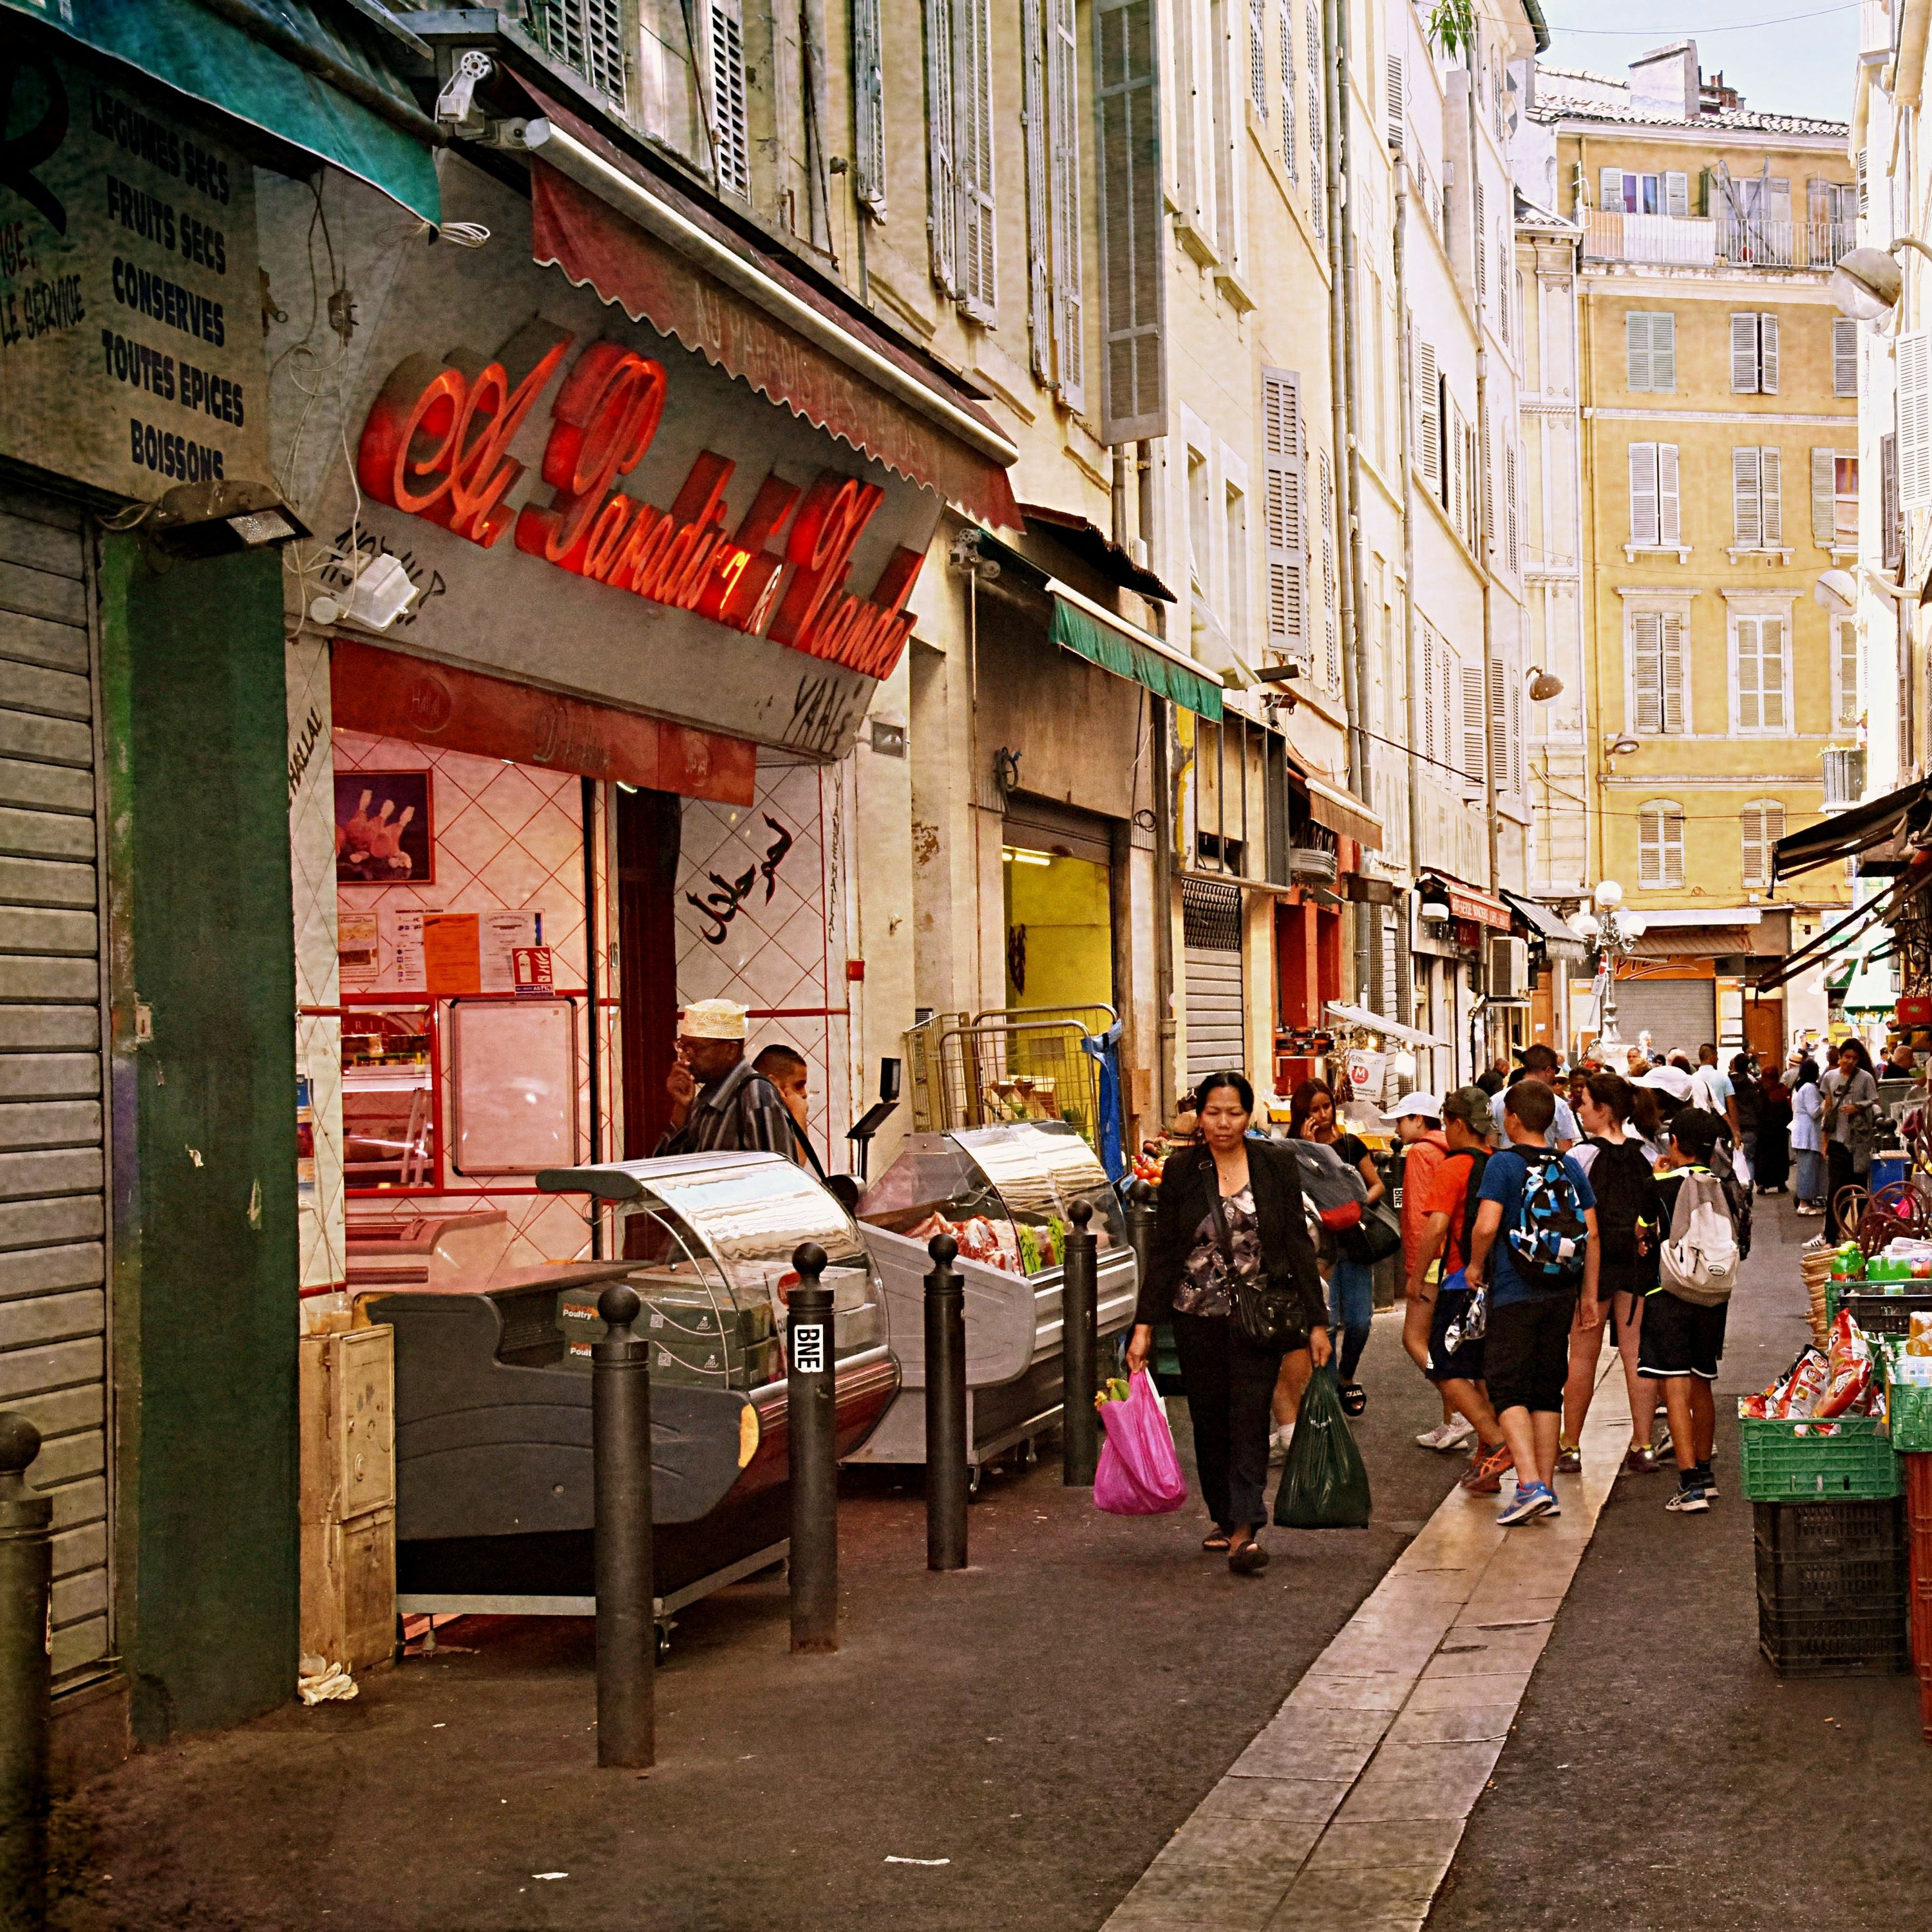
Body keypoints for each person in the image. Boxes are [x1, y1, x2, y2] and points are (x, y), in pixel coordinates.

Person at [1127, 1072, 1329, 1575]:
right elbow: (1167, 1252)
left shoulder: (1276, 1163)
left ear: (1250, 1115)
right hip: (1196, 1315)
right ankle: (1223, 1515)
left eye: (1233, 1113)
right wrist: (1145, 1324)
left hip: (1258, 1316)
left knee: (1248, 1415)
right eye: (1213, 1113)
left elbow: (1299, 1247)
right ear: (1201, 1116)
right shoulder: (1180, 1170)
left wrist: (1317, 1323)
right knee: (1210, 1419)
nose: (1223, 1123)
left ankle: (1246, 1527)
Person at [1463, 1079, 1601, 1525]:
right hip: (1560, 1290)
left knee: (1506, 1386)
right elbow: (1591, 1233)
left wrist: (1475, 1266)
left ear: (1513, 1119)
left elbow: (1486, 1226)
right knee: (1545, 1388)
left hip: (1515, 1289)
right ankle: (1546, 1486)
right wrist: (1588, 1295)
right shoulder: (1570, 1165)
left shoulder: (1502, 1165)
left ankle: (1528, 1484)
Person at [1562, 1072, 1667, 1477]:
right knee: (1637, 1356)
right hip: (1639, 1262)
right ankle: (1643, 1445)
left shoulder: (1580, 1158)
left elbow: (1572, 1217)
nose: (1579, 1109)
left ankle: (1570, 1446)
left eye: (1584, 1102)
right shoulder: (1648, 1153)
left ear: (1603, 1110)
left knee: (1582, 1358)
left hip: (1593, 1266)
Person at [1410, 1086, 1513, 1493]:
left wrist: (1417, 1278)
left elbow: (1436, 1227)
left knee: (1442, 1361)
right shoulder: (1497, 1164)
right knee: (1482, 1370)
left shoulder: (1453, 1167)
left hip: (1460, 1278)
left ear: (1455, 1123)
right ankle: (1487, 1463)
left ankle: (1499, 1440)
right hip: (1499, 1281)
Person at [1639, 1108, 1739, 1513]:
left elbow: (1641, 1230)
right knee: (1703, 1383)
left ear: (1674, 1142)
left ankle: (1689, 1485)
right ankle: (1706, 1475)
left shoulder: (1658, 1185)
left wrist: (1659, 1173)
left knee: (1674, 1385)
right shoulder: (1723, 1186)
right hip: (1713, 1294)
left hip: (1669, 1291)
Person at [1288, 1079, 1383, 1416]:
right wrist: (1307, 1147)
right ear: (1301, 1113)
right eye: (1314, 1110)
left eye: (1327, 1107)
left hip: (1354, 1243)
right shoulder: (1291, 1150)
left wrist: (1356, 1205)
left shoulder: (1350, 1144)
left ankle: (1346, 1376)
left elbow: (1376, 1184)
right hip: (1318, 1250)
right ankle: (1327, 1397)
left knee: (1359, 1322)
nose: (1323, 1115)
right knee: (1325, 1324)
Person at [1386, 1094, 1466, 1450]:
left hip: (1432, 1259)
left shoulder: (1419, 1152)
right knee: (1445, 1343)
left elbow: (1421, 1215)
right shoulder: (1451, 1147)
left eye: (1402, 1120)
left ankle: (1463, 1413)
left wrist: (1414, 1269)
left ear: (1420, 1120)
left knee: (1416, 1340)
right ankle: (1452, 1421)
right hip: (1456, 1257)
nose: (1397, 1127)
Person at [657, 1000, 802, 1156]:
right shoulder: (703, 1100)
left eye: (694, 1049)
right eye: (682, 1047)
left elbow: (780, 1174)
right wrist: (682, 1108)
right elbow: (666, 1167)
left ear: (731, 1050)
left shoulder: (756, 1095)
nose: (684, 1056)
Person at [1821, 1038, 1879, 1239]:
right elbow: (1828, 1110)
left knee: (1862, 1190)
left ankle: (1864, 1233)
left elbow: (1875, 1103)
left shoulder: (1865, 1078)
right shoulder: (1829, 1077)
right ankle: (1831, 1236)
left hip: (1860, 1143)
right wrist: (1825, 1141)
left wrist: (1858, 1107)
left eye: (1854, 1058)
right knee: (1836, 1191)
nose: (1850, 1061)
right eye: (1847, 1057)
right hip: (1838, 1142)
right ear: (1840, 1056)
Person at [1493, 1044, 1580, 1150]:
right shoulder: (1558, 1104)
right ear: (1549, 1070)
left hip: (1504, 1164)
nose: (1555, 1076)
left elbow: (1491, 1143)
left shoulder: (1496, 1100)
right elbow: (1565, 1149)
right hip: (1545, 1164)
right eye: (1556, 1071)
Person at [1791, 1059, 1826, 1216]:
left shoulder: (1797, 1087)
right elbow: (1814, 1111)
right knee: (1808, 1170)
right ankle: (1804, 1204)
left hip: (1800, 1132)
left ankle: (1805, 1202)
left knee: (1805, 1170)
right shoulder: (1810, 1088)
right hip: (1809, 1134)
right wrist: (1826, 1104)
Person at [1689, 1045, 1741, 1148]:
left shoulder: (1692, 1079)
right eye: (1716, 1055)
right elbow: (1732, 1107)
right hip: (1718, 1127)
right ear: (1711, 1056)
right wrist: (1736, 1131)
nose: (1718, 1059)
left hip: (1698, 1127)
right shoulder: (1723, 1078)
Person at [1753, 1059, 1792, 1195]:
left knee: (1763, 1158)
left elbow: (1758, 1110)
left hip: (1764, 1131)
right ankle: (1781, 1183)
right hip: (1780, 1131)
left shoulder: (1762, 1092)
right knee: (1780, 1157)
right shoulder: (1784, 1090)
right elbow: (1789, 1111)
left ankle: (1762, 1184)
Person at [1728, 1052, 1760, 1181]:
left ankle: (1738, 1188)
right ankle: (1748, 1188)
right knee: (1749, 1159)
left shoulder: (1728, 1083)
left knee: (1733, 1159)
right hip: (1750, 1126)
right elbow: (1758, 1106)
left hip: (1731, 1127)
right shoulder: (1750, 1084)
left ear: (1734, 1065)